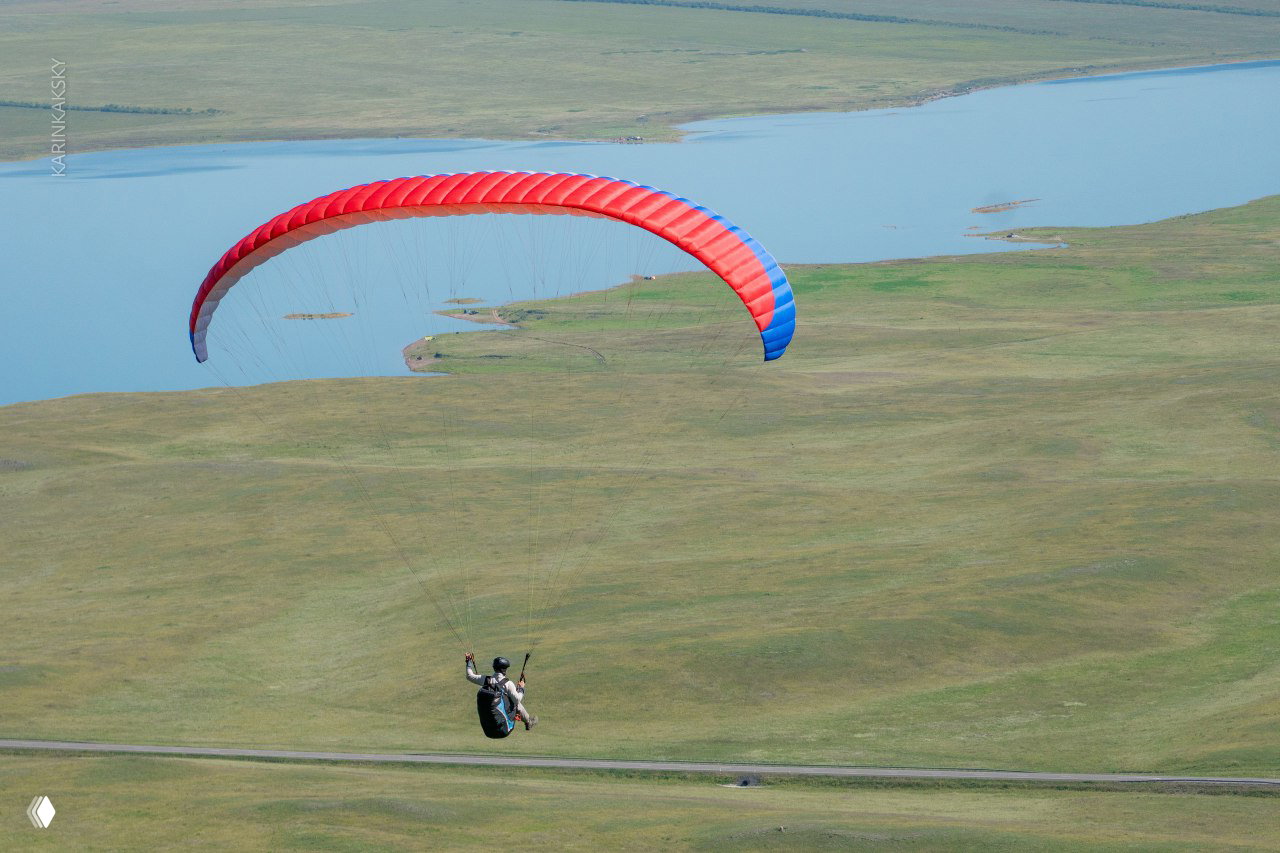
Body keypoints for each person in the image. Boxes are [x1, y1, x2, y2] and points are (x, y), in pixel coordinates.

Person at [466, 652, 537, 730]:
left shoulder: (486, 680)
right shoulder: (508, 684)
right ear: (504, 669)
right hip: (504, 721)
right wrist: (521, 689)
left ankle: (527, 721)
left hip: (488, 722)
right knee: (515, 703)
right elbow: (517, 700)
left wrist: (469, 661)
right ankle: (528, 722)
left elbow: (469, 676)